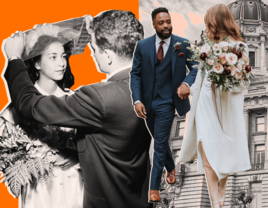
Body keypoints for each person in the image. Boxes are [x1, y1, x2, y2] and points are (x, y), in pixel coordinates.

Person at [3, 10, 153, 208]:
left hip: (90, 194)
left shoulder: (97, 97)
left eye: (95, 49)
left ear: (108, 55)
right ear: (37, 63)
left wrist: (14, 58)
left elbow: (30, 105)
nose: (92, 53)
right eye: (53, 56)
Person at [2, 24, 84, 208]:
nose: (61, 63)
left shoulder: (74, 100)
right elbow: (6, 153)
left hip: (72, 184)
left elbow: (93, 144)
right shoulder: (19, 106)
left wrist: (73, 156)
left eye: (63, 57)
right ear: (37, 63)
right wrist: (29, 160)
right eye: (53, 57)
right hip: (37, 187)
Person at [178, 4, 251, 208]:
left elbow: (244, 81)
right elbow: (200, 79)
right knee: (206, 148)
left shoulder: (240, 47)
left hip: (226, 102)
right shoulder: (206, 47)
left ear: (217, 21)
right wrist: (186, 89)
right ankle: (215, 203)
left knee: (224, 152)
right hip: (204, 102)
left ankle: (220, 195)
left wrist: (227, 76)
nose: (207, 26)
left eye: (209, 21)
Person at [130, 7, 198, 202]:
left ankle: (153, 189)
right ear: (154, 24)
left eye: (168, 21)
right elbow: (135, 74)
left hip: (169, 102)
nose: (166, 25)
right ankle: (171, 166)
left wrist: (186, 83)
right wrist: (137, 100)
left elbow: (196, 67)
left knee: (159, 143)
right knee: (160, 140)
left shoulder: (183, 44)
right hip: (147, 103)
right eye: (162, 23)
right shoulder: (142, 46)